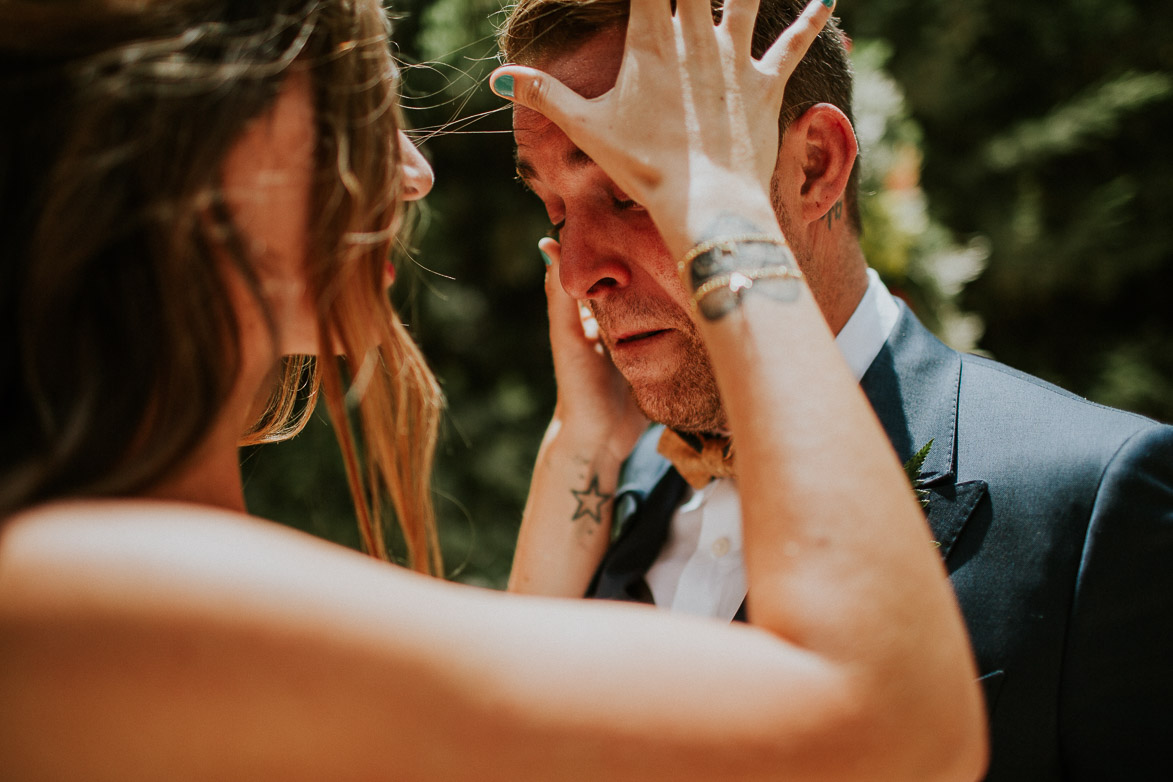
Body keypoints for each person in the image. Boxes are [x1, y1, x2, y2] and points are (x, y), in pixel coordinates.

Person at [0, 0, 987, 779]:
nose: (413, 170)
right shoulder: (74, 587)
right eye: (356, 103)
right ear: (193, 131)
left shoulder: (109, 562)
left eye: (633, 190)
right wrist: (722, 203)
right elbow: (890, 720)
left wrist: (582, 447)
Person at [499, 0, 1173, 778]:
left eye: (633, 188)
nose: (579, 271)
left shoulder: (1090, 497)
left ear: (813, 165)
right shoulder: (604, 497)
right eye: (551, 208)